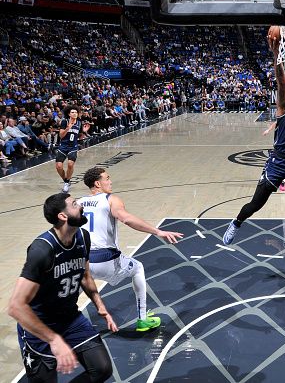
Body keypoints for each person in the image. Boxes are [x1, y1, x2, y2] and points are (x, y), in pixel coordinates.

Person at [223, 29, 285, 252]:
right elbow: (280, 80)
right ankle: (236, 223)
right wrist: (276, 53)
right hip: (278, 161)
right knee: (257, 204)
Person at [8, 193, 118, 382]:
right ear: (62, 216)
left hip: (70, 319)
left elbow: (84, 275)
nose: (81, 206)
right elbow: (16, 307)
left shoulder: (82, 237)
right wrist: (54, 340)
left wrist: (100, 306)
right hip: (39, 326)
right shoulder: (42, 250)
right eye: (75, 204)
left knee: (102, 369)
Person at [79, 167, 184, 331]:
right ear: (98, 183)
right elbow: (126, 219)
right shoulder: (110, 199)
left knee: (68, 296)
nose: (110, 181)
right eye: (107, 178)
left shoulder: (77, 203)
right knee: (137, 268)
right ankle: (142, 319)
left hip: (82, 262)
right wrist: (158, 231)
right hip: (107, 260)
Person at [56, 106, 90, 193]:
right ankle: (66, 180)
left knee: (70, 164)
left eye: (76, 112)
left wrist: (84, 132)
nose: (74, 113)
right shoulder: (64, 121)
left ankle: (66, 184)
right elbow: (61, 136)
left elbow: (79, 136)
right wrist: (68, 127)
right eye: (72, 112)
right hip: (63, 146)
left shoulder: (79, 122)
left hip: (73, 147)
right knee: (59, 166)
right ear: (69, 114)